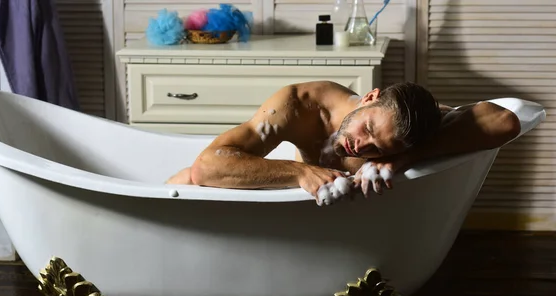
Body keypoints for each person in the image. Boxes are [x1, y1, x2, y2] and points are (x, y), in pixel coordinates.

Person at [166, 81, 520, 204]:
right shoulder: (299, 105)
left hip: (358, 227)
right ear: (370, 97)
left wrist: (403, 159)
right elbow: (207, 166)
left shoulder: (410, 130)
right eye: (366, 128)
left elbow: (505, 119)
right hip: (291, 205)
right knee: (183, 180)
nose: (360, 146)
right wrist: (301, 172)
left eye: (377, 148)